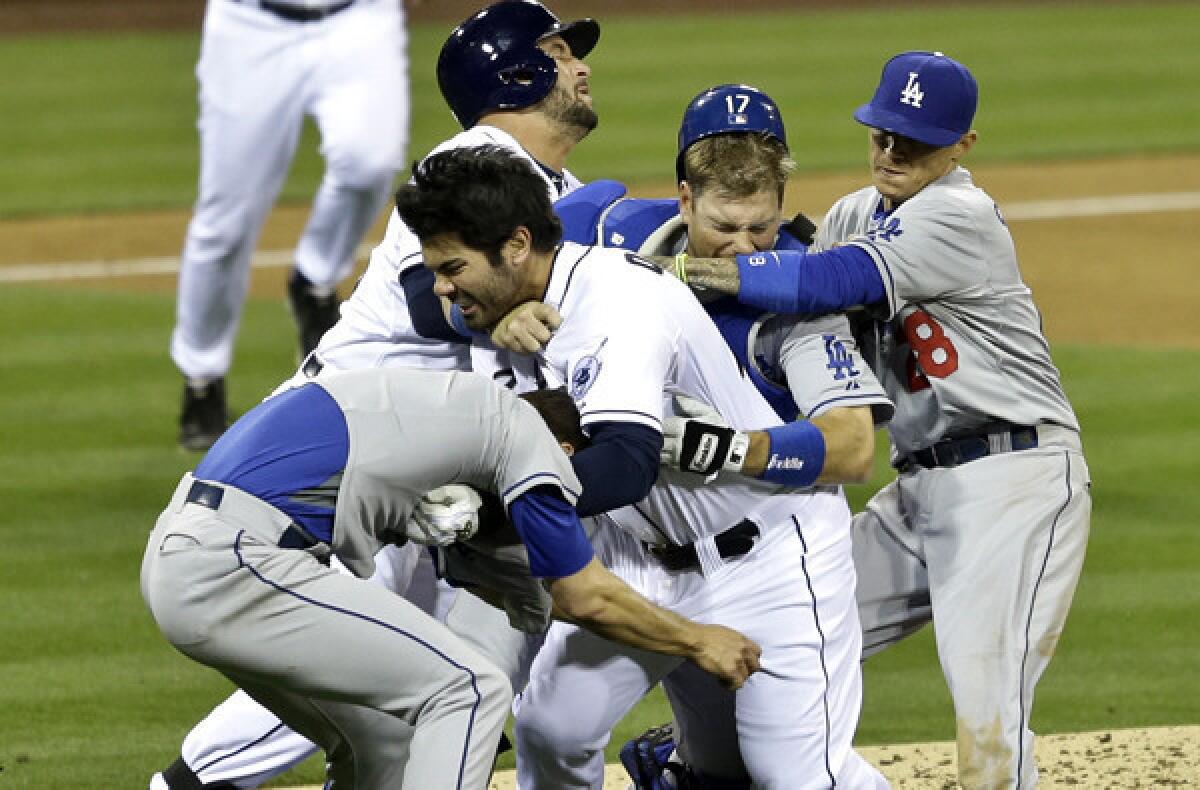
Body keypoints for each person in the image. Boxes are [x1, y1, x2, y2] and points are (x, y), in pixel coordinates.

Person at [149, 3, 602, 787]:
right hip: (345, 455)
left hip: (416, 464)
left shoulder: (547, 181)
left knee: (410, 681)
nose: (580, 66)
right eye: (560, 51)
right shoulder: (473, 160)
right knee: (359, 659)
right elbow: (431, 297)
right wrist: (504, 310)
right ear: (515, 72)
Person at [662, 52, 1093, 788]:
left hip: (1012, 481)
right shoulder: (856, 213)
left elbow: (831, 279)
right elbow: (809, 311)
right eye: (883, 134)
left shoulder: (961, 214)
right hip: (918, 489)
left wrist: (683, 269)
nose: (892, 152)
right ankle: (688, 758)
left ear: (962, 146)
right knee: (781, 630)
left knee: (987, 704)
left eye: (916, 142)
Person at [397, 144, 888, 788]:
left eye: (453, 267)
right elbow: (427, 303)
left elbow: (625, 464)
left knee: (796, 776)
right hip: (643, 556)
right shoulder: (533, 291)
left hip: (771, 558)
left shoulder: (618, 307)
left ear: (517, 247)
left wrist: (492, 509)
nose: (441, 285)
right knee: (552, 728)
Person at [141, 367, 761, 789]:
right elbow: (581, 593)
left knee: (381, 742)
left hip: (198, 552)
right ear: (565, 452)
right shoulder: (522, 438)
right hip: (238, 557)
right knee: (469, 690)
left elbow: (539, 595)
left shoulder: (446, 428)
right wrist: (697, 639)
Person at [171, 0, 411, 451]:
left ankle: (315, 278)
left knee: (370, 164)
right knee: (225, 226)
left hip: (360, 18)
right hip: (250, 26)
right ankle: (202, 374)